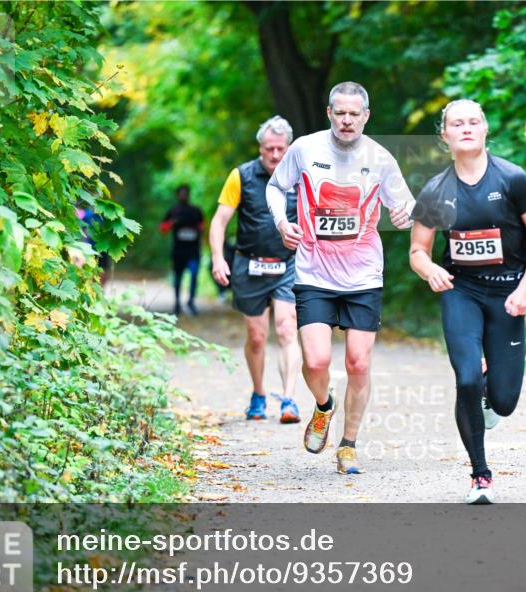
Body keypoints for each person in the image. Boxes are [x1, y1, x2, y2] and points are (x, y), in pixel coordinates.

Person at [409, 99, 526, 504]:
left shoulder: (512, 179)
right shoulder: (436, 190)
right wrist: (430, 271)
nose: (467, 128)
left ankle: (492, 389)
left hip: (508, 290)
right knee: (467, 378)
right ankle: (480, 475)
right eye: (458, 123)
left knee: (504, 403)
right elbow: (418, 250)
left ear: (485, 129)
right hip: (462, 291)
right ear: (445, 135)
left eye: (474, 121)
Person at [267, 82, 414, 474]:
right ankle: (323, 406)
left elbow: (407, 204)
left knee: (358, 364)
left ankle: (348, 445)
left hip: (364, 275)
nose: (347, 120)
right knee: (315, 360)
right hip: (314, 270)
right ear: (329, 113)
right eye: (340, 113)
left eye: (355, 114)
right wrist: (283, 222)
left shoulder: (380, 158)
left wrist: (404, 215)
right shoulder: (304, 149)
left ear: (366, 116)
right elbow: (276, 187)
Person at [209, 116, 303, 423]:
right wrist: (218, 259)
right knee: (257, 336)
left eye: (280, 149)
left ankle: (289, 400)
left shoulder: (301, 176)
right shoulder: (241, 176)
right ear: (260, 147)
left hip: (289, 263)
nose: (275, 155)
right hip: (249, 263)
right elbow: (219, 221)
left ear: (289, 147)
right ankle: (259, 394)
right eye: (268, 149)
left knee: (288, 327)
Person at [160, 185, 204, 316]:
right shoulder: (173, 211)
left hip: (193, 251)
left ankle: (191, 301)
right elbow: (162, 228)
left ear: (189, 195)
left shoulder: (196, 211)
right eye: (181, 193)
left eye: (186, 193)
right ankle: (177, 303)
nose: (184, 196)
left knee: (194, 275)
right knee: (178, 277)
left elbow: (203, 227)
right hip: (178, 251)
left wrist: (197, 230)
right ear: (177, 195)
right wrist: (172, 223)